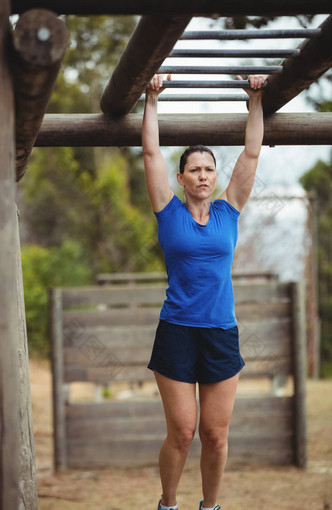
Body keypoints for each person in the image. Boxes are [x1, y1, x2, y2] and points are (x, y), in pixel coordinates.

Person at [142, 73, 267, 510]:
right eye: (194, 169)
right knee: (183, 431)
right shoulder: (167, 210)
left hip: (220, 332)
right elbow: (151, 151)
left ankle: (210, 507)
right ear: (181, 177)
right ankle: (168, 504)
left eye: (209, 169)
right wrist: (151, 98)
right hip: (176, 330)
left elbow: (252, 152)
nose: (203, 175)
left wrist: (255, 101)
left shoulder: (228, 210)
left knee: (215, 434)